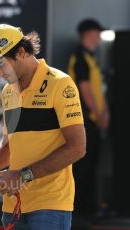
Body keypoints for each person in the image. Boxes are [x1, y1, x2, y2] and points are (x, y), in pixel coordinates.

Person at [0, 24, 86, 230]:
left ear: (22, 52)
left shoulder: (61, 83)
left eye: (0, 65)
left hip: (50, 204)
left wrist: (23, 175)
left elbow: (77, 147)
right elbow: (8, 149)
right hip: (13, 206)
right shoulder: (8, 92)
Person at [67, 18, 110, 220]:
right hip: (84, 121)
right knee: (83, 167)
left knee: (91, 166)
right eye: (97, 32)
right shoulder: (79, 56)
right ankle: (81, 211)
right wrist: (98, 113)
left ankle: (90, 209)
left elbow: (98, 89)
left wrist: (104, 112)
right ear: (89, 34)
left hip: (94, 120)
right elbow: (84, 89)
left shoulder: (91, 57)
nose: (100, 37)